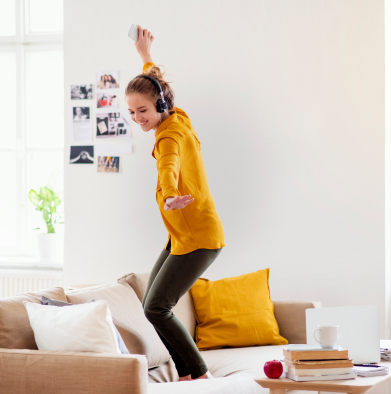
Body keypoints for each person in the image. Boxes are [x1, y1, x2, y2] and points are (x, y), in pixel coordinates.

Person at [125, 25, 225, 382]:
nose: (138, 119)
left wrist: (168, 198)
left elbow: (167, 169)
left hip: (198, 237)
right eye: (133, 112)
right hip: (183, 235)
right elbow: (154, 79)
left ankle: (199, 373)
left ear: (160, 106)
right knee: (151, 305)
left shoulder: (170, 137)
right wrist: (144, 54)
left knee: (156, 307)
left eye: (143, 111)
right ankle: (187, 374)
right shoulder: (176, 113)